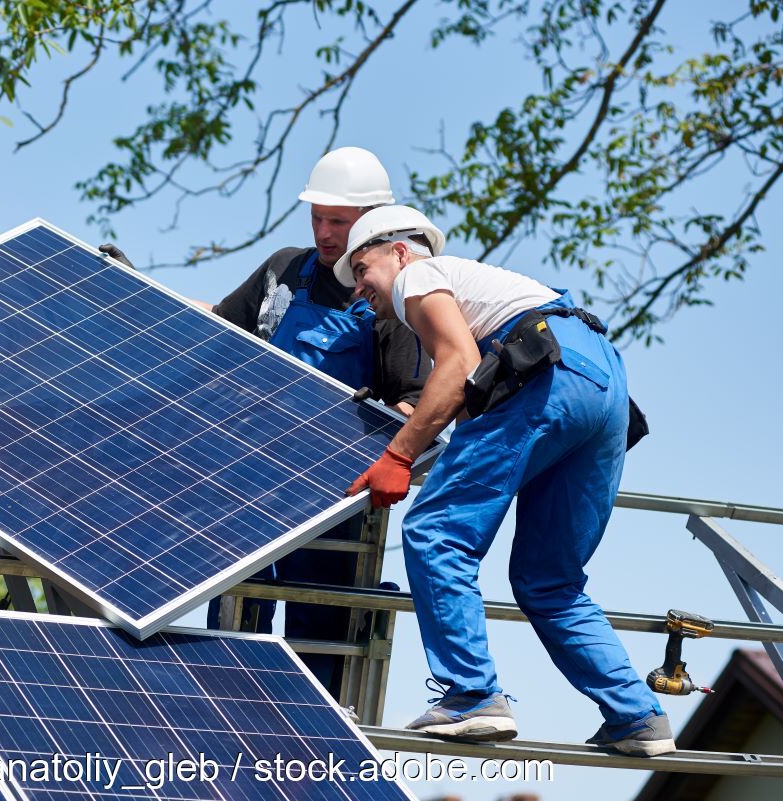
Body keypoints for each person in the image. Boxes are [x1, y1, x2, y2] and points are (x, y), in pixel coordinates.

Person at [334, 204, 673, 756]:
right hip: (600, 382)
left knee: (436, 533)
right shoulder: (482, 290)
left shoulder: (418, 277)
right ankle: (637, 717)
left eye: (363, 269)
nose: (359, 289)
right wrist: (421, 428)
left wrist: (398, 454)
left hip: (549, 374)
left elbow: (457, 361)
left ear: (399, 251)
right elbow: (473, 393)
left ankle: (471, 695)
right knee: (549, 580)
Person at [201, 148, 432, 696]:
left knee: (317, 656)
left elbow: (415, 401)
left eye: (339, 222)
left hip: (332, 507)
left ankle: (311, 760)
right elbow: (214, 326)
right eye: (318, 217)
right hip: (249, 486)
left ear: (373, 223)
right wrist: (136, 291)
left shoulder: (389, 297)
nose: (326, 233)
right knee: (233, 633)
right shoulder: (285, 269)